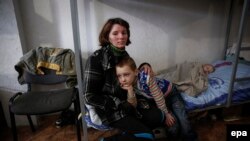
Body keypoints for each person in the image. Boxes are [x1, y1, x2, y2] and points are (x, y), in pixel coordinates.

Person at [83, 18, 164, 141]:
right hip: (110, 109)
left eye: (124, 33)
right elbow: (88, 96)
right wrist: (117, 104)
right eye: (115, 33)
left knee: (160, 117)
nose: (121, 36)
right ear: (107, 36)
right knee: (148, 136)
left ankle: (127, 135)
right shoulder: (95, 59)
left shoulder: (124, 55)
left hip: (129, 102)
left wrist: (144, 65)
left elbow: (133, 73)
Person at [115, 56, 198, 141]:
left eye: (126, 74)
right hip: (158, 101)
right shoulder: (125, 86)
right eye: (119, 76)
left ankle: (190, 137)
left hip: (171, 95)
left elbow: (158, 95)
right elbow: (133, 105)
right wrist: (130, 91)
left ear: (136, 72)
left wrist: (165, 113)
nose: (123, 79)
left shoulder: (145, 78)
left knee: (183, 119)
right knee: (173, 124)